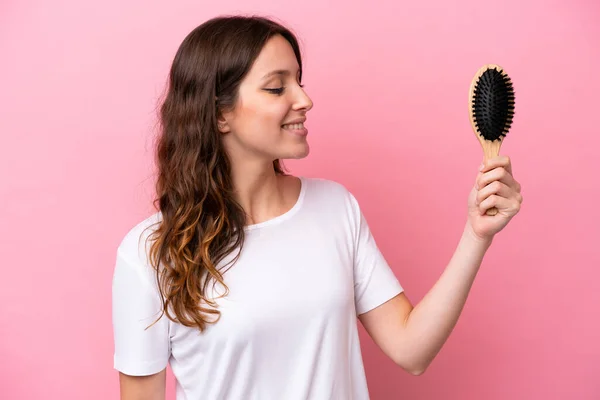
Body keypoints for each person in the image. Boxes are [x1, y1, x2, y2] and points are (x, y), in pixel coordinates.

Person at [111, 14, 523, 400]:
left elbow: (411, 350)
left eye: (300, 81)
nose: (304, 99)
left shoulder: (335, 208)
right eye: (277, 87)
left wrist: (476, 235)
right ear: (219, 114)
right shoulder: (149, 253)